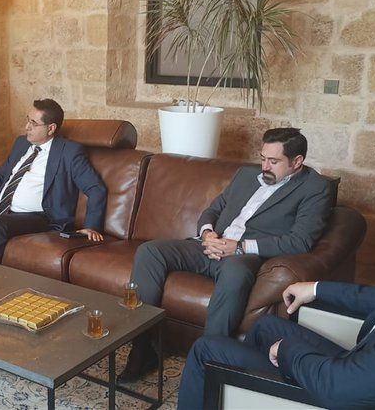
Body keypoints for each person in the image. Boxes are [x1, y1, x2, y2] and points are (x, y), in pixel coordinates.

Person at [178, 164, 375, 409]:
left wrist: (285, 352)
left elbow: (337, 388)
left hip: (351, 390)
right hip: (371, 367)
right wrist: (316, 289)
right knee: (267, 325)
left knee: (207, 350)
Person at [121, 128, 333, 381]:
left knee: (235, 273)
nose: (265, 166)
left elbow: (299, 241)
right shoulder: (246, 175)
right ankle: (143, 347)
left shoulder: (315, 188)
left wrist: (239, 247)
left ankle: (208, 361)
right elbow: (213, 209)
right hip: (209, 245)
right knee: (150, 251)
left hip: (242, 255)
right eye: (263, 158)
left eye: (274, 161)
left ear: (297, 161)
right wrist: (208, 233)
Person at [0, 98, 107, 263]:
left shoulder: (69, 152)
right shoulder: (21, 143)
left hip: (38, 217)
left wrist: (90, 227)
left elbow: (95, 188)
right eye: (27, 120)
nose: (27, 127)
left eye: (34, 123)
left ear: (51, 128)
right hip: (2, 208)